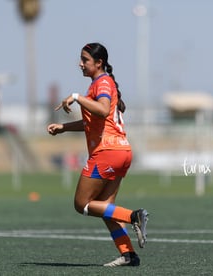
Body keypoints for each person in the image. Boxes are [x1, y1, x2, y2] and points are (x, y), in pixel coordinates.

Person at [47, 42, 149, 266]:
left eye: (85, 60)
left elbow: (102, 109)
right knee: (106, 208)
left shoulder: (101, 83)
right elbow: (93, 122)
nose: (80, 64)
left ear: (99, 63)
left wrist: (76, 97)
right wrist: (63, 128)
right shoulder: (103, 83)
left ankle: (134, 216)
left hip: (107, 152)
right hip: (122, 151)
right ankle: (128, 255)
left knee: (81, 204)